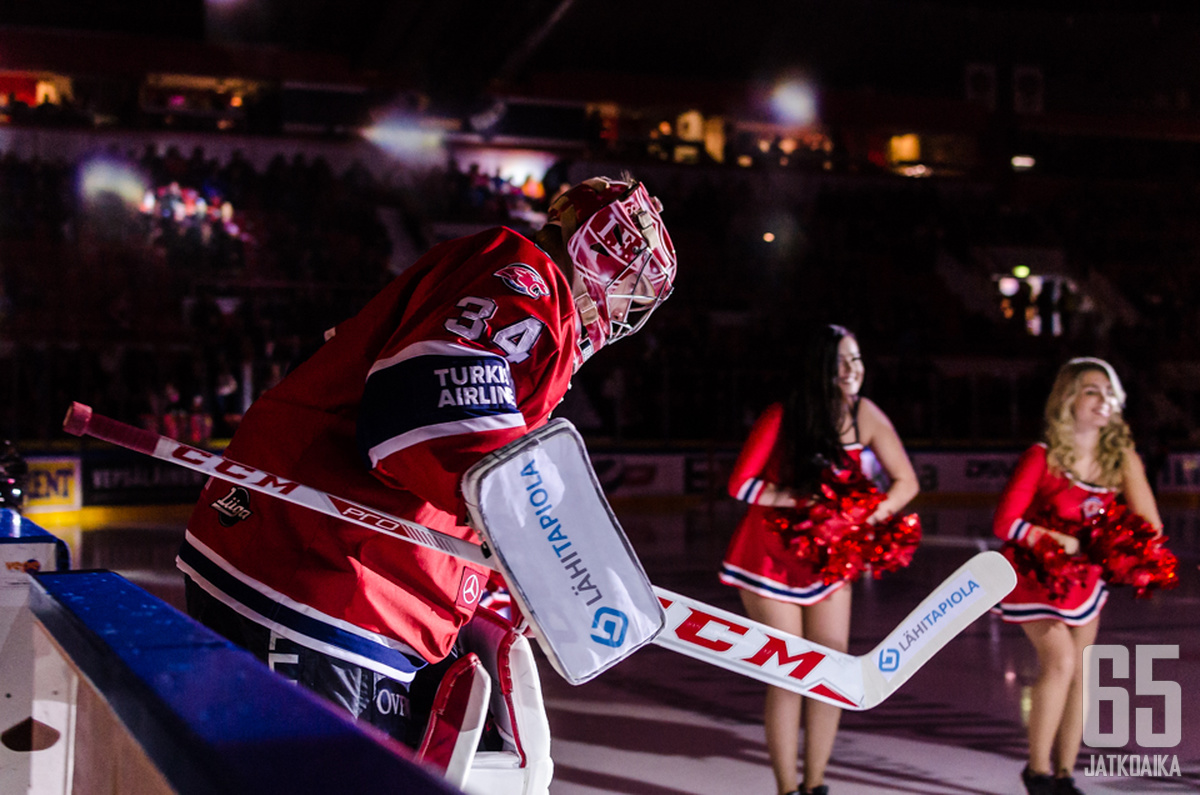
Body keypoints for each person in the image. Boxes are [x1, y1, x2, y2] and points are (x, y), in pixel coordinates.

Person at [176, 176, 676, 747]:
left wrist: (506, 578)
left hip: (305, 564)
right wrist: (547, 555)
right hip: (326, 580)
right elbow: (430, 411)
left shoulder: (507, 276)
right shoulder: (525, 280)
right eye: (626, 289)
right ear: (595, 252)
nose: (621, 312)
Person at [720, 324, 920, 795]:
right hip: (768, 559)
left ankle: (816, 784)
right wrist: (801, 499)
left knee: (831, 671)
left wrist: (866, 516)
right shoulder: (783, 415)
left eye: (858, 360)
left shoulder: (864, 414)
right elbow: (741, 486)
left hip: (832, 557)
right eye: (842, 362)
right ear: (820, 368)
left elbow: (905, 483)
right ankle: (787, 789)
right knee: (789, 674)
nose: (854, 371)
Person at [993, 357, 1162, 795]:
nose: (1102, 399)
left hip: (1084, 580)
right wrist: (1054, 540)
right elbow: (1005, 524)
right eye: (1091, 389)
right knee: (1061, 661)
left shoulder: (1119, 458)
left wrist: (1119, 545)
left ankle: (1066, 775)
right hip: (1032, 575)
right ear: (1067, 398)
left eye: (1109, 392)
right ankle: (1037, 772)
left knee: (1082, 670)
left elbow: (1151, 525)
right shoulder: (1042, 456)